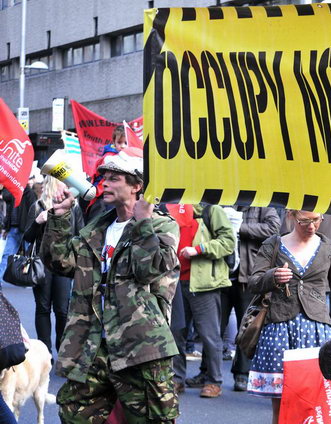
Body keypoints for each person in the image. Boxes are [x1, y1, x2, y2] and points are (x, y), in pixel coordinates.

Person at [40, 147, 180, 423]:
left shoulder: (161, 226)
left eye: (114, 178)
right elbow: (60, 262)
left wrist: (143, 222)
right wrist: (61, 216)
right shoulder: (98, 228)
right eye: (104, 177)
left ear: (136, 186)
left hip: (139, 346)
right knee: (75, 414)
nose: (104, 183)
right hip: (93, 343)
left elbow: (149, 269)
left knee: (153, 418)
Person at [247, 209, 331, 424]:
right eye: (304, 221)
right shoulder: (273, 244)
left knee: (317, 403)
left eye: (316, 220)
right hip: (279, 330)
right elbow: (253, 283)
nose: (311, 226)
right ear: (291, 216)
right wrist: (272, 276)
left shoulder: (330, 248)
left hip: (316, 331)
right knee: (282, 405)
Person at [170, 203, 235, 399]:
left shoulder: (211, 210)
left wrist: (199, 249)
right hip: (175, 282)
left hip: (204, 284)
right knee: (176, 334)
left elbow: (228, 242)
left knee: (209, 335)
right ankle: (177, 379)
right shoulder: (171, 208)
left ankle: (214, 381)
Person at [220, 206, 280, 392]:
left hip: (248, 276)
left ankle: (242, 373)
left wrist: (239, 227)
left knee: (246, 327)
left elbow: (274, 228)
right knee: (214, 328)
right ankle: (207, 373)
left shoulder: (262, 205)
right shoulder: (223, 203)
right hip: (220, 274)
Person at [23, 176, 84, 354]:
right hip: (42, 263)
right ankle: (45, 352)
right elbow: (27, 237)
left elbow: (80, 233)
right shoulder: (38, 206)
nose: (67, 186)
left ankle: (62, 350)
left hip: (64, 262)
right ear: (53, 184)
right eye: (63, 182)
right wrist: (37, 222)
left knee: (62, 309)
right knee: (43, 308)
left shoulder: (74, 207)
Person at [0, 180, 36, 287]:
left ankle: (26, 279)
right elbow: (9, 210)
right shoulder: (14, 192)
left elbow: (33, 212)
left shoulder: (29, 193)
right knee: (7, 255)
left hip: (24, 230)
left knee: (27, 256)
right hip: (13, 228)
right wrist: (6, 226)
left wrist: (29, 230)